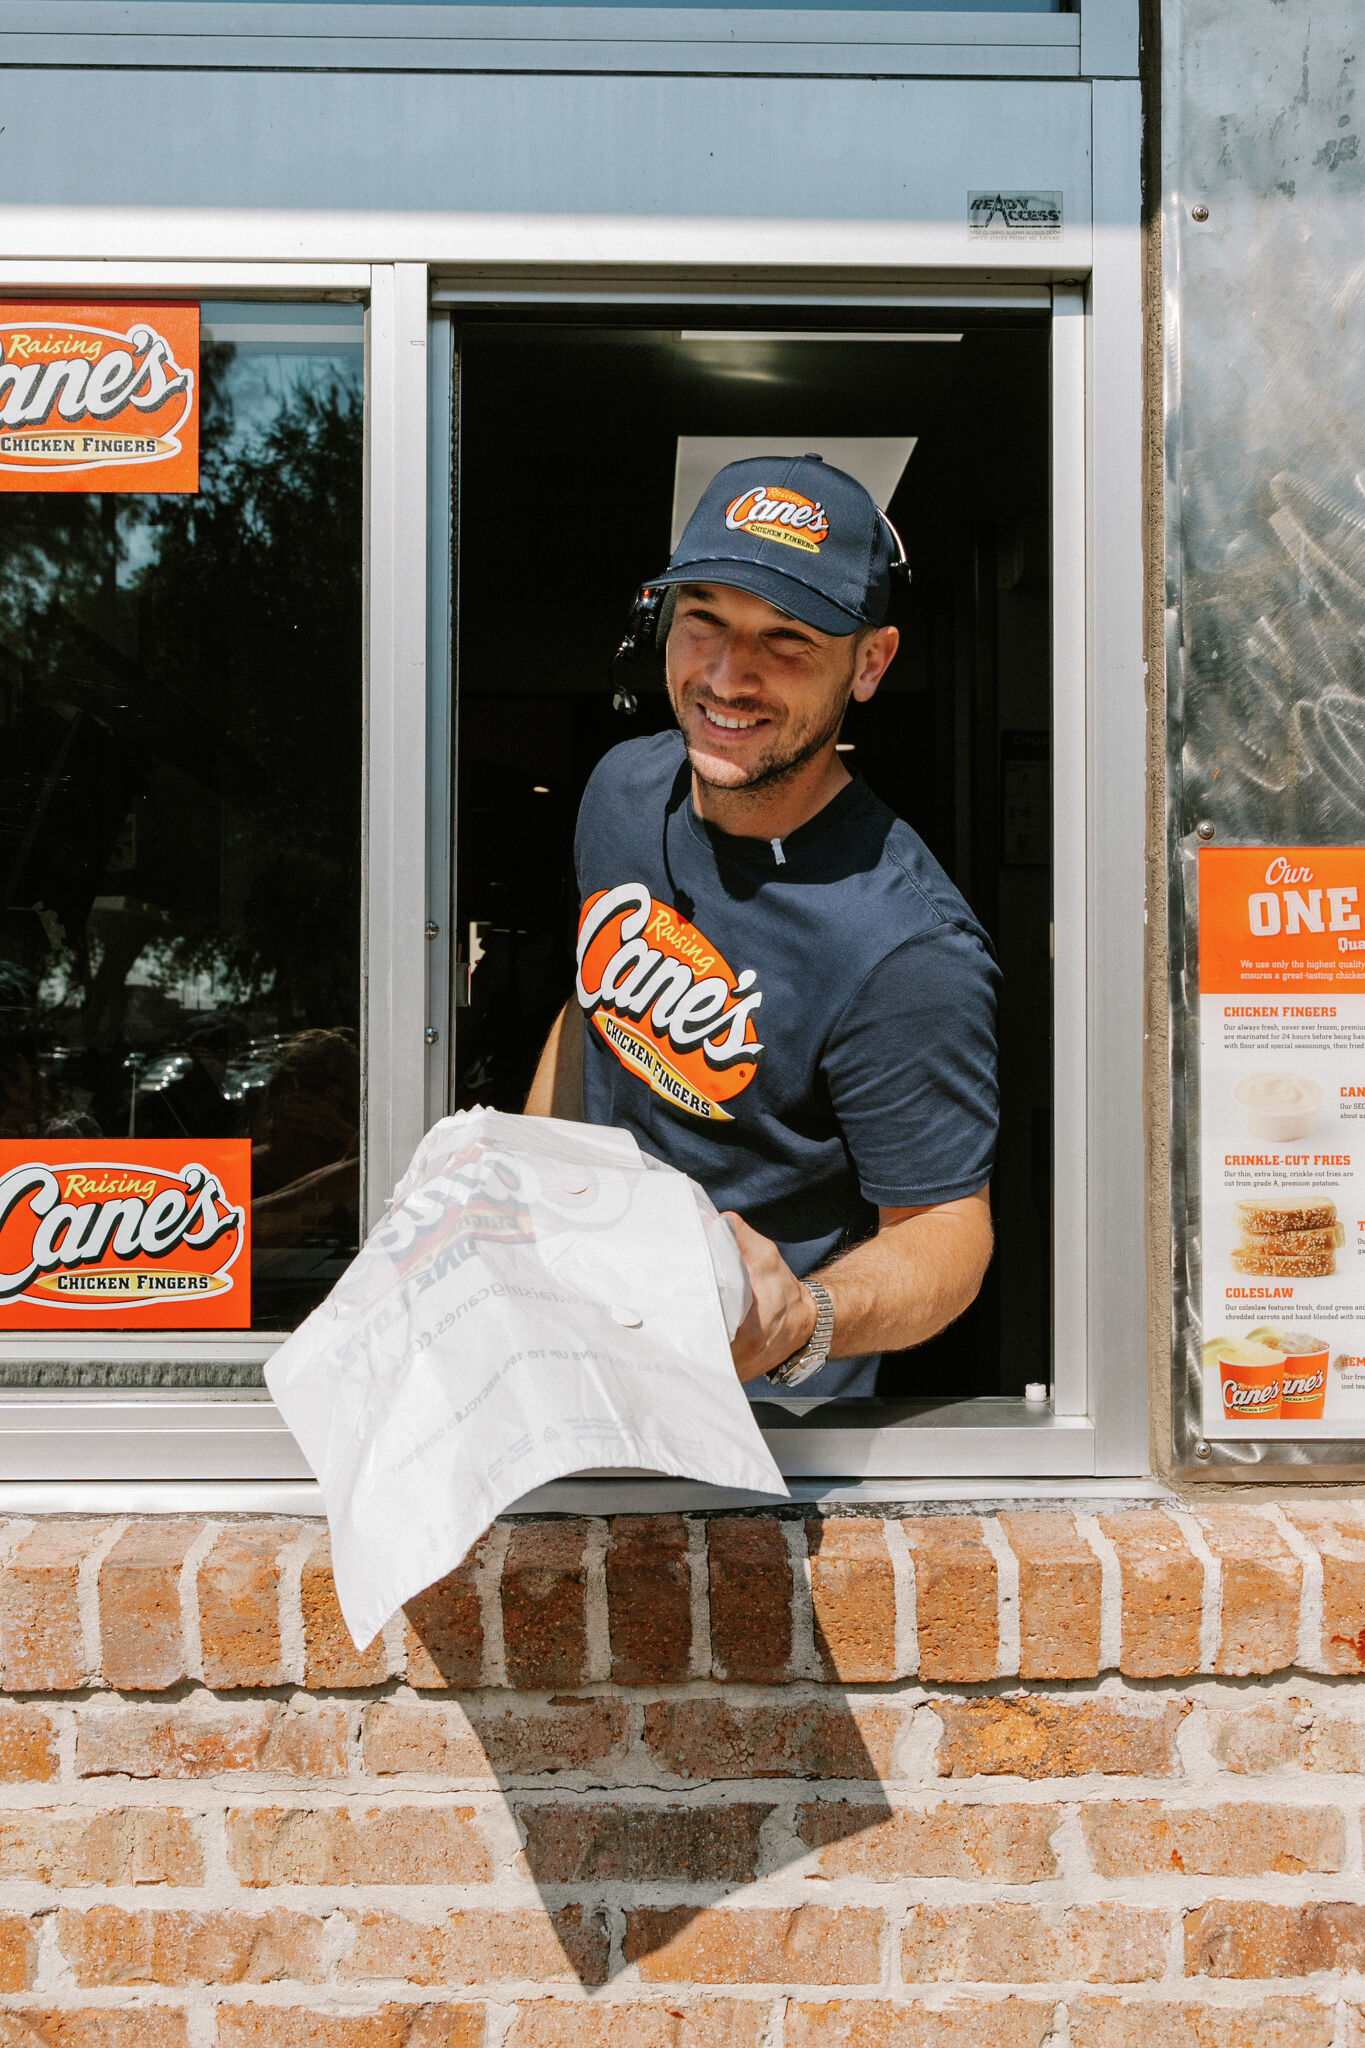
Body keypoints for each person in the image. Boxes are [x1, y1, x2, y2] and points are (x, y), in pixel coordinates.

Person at [526, 454, 999, 1397]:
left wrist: (803, 1320)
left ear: (869, 664)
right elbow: (591, 1005)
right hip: (580, 1340)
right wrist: (524, 1190)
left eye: (787, 640)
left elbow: (948, 1232)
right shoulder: (622, 789)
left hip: (767, 1401)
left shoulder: (908, 945)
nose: (728, 676)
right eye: (702, 619)